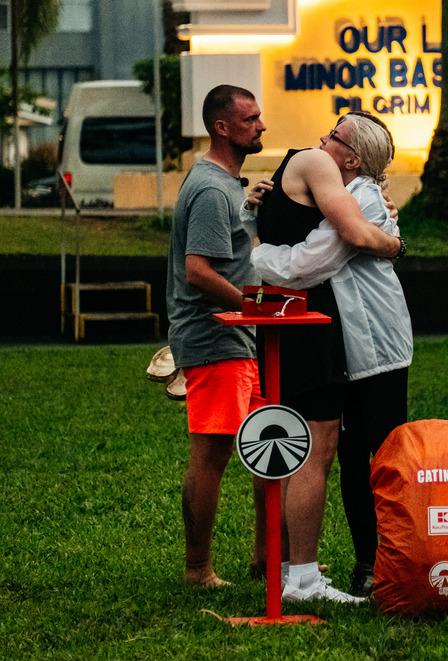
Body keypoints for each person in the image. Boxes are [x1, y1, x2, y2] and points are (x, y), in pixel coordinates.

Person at [250, 111, 412, 599]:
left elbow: (308, 262)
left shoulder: (362, 197)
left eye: (334, 136)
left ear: (354, 157)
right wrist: (254, 207)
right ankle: (365, 563)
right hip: (345, 344)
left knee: (382, 457)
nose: (322, 138)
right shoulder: (332, 192)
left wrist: (257, 252)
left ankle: (386, 562)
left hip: (377, 347)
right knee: (347, 457)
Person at [166, 84, 268, 587]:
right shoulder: (210, 189)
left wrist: (248, 206)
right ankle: (197, 568)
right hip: (214, 339)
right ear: (221, 128)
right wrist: (255, 308)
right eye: (250, 119)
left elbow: (229, 248)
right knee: (213, 455)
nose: (261, 125)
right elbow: (198, 271)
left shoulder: (226, 185)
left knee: (265, 444)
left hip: (240, 339)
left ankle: (267, 560)